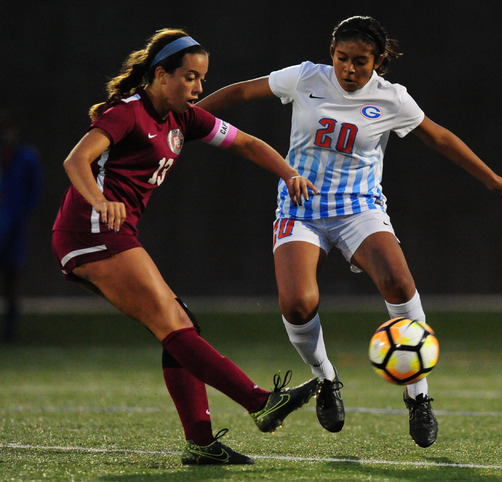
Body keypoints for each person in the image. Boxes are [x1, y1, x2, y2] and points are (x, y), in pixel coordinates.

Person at [197, 15, 502, 448]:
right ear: (331, 53)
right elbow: (240, 92)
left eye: (361, 62)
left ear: (379, 61)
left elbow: (439, 138)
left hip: (358, 208)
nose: (349, 70)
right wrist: (187, 117)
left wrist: (491, 178)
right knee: (296, 304)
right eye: (342, 59)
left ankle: (418, 396)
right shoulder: (305, 77)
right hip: (300, 207)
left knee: (399, 281)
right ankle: (325, 380)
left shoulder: (392, 98)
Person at [51, 28, 321, 466]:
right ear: (161, 75)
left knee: (178, 327)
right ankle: (259, 402)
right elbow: (75, 159)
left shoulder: (183, 118)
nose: (199, 88)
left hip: (113, 234)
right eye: (191, 77)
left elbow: (247, 143)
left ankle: (201, 442)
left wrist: (288, 173)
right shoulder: (127, 113)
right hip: (90, 231)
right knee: (174, 323)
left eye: (202, 79)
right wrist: (100, 200)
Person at [0, 110, 43, 342]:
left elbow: (34, 191)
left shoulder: (27, 157)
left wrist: (20, 215)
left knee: (13, 279)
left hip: (14, 227)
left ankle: (10, 333)